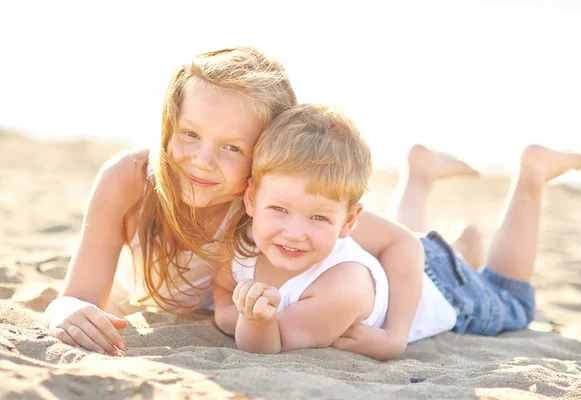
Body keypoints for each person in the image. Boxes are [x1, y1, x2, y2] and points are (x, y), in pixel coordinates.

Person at [43, 47, 425, 360]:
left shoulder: (273, 204)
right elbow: (77, 296)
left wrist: (396, 335)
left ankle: (419, 181)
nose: (203, 161)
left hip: (413, 274)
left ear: (264, 153)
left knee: (435, 250)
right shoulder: (127, 180)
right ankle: (420, 177)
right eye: (190, 133)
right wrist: (65, 310)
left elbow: (401, 242)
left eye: (232, 147)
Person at [214, 103, 581, 359]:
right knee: (416, 244)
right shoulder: (240, 241)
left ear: (349, 221)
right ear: (251, 200)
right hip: (403, 259)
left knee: (511, 297)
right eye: (279, 209)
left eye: (318, 219)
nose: (293, 233)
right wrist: (231, 311)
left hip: (444, 292)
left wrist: (395, 336)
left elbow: (270, 343)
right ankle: (428, 186)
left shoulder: (341, 290)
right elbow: (224, 294)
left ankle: (531, 175)